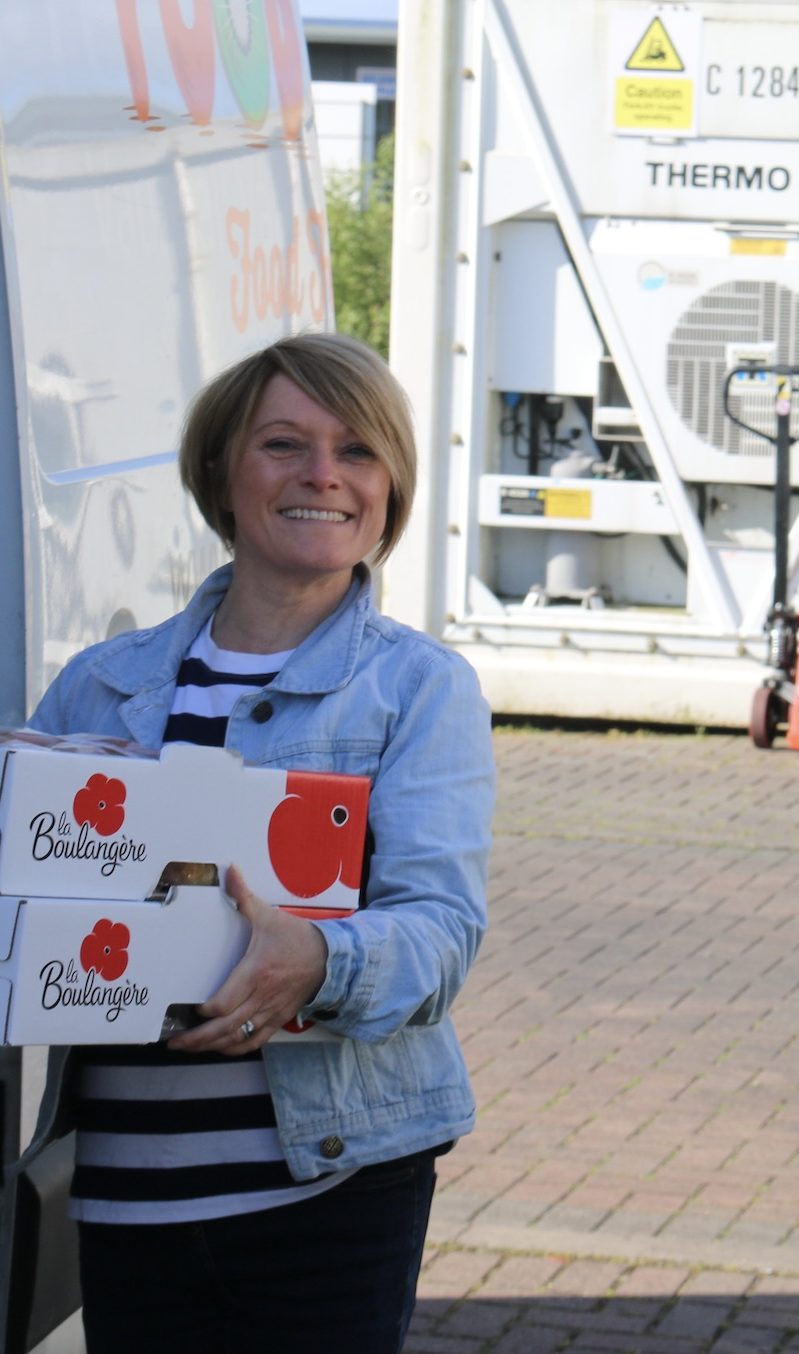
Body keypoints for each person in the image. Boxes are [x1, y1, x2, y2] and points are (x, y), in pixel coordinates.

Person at [18, 333, 494, 1353]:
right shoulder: (101, 684)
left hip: (326, 1186)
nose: (324, 474)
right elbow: (35, 904)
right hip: (126, 1194)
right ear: (222, 472)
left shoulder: (418, 687)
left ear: (391, 487)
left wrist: (317, 960)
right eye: (285, 443)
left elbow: (441, 932)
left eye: (358, 450)